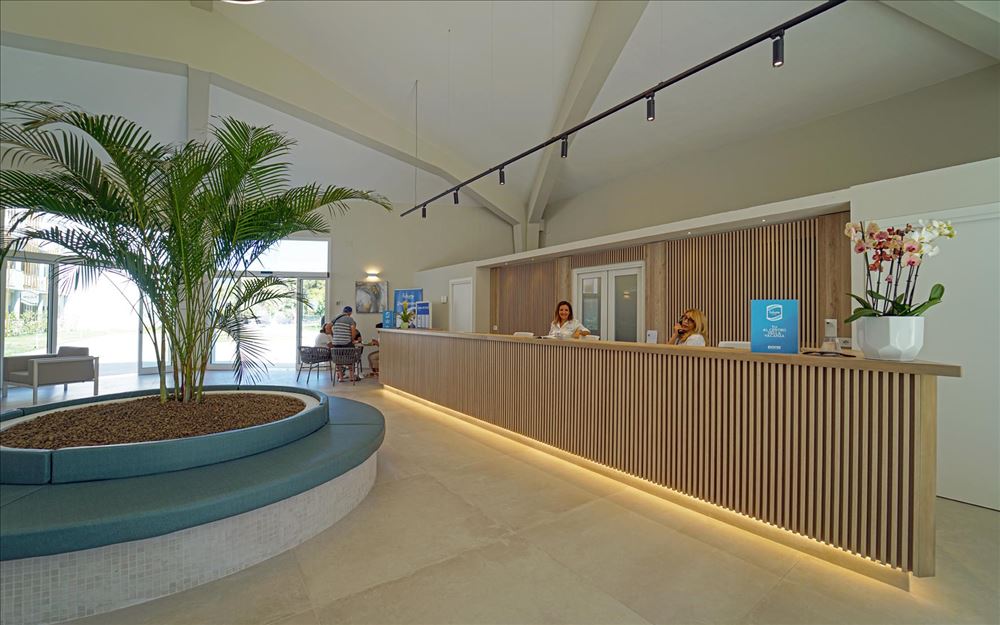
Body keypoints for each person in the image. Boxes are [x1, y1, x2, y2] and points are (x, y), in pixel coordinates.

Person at [331, 306, 360, 381]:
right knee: (350, 358)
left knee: (338, 360)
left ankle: (341, 378)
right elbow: (353, 331)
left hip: (336, 343)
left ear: (343, 311)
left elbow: (327, 327)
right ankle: (351, 377)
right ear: (350, 313)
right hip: (346, 343)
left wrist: (334, 336)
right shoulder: (350, 319)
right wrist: (352, 339)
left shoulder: (336, 317)